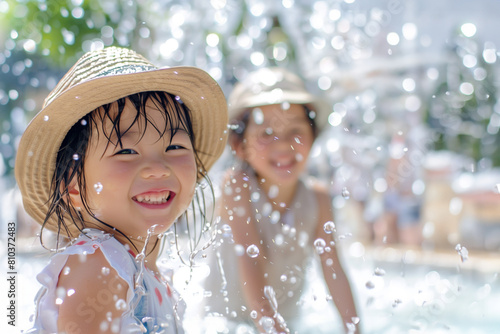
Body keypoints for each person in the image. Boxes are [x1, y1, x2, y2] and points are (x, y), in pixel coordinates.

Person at [15, 46, 228, 333]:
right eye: (126, 151)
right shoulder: (98, 265)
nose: (158, 168)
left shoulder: (143, 270)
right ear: (74, 186)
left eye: (174, 146)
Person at [204, 67, 360, 333]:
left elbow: (334, 272)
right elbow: (252, 261)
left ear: (313, 136)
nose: (283, 145)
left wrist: (355, 329)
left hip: (284, 326)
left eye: (295, 131)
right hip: (225, 325)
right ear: (239, 145)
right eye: (266, 133)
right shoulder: (237, 188)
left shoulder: (318, 199)